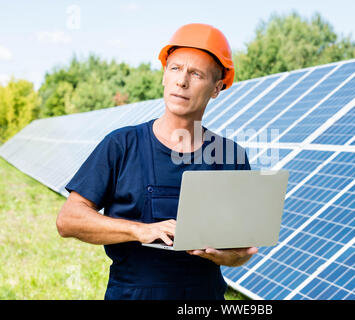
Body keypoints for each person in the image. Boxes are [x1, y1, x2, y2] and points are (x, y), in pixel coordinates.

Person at [56, 23, 258, 300]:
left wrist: (226, 256)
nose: (182, 81)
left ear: (217, 88)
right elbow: (68, 220)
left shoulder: (230, 157)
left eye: (196, 73)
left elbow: (241, 253)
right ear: (164, 75)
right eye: (175, 68)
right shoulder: (121, 145)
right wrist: (140, 230)